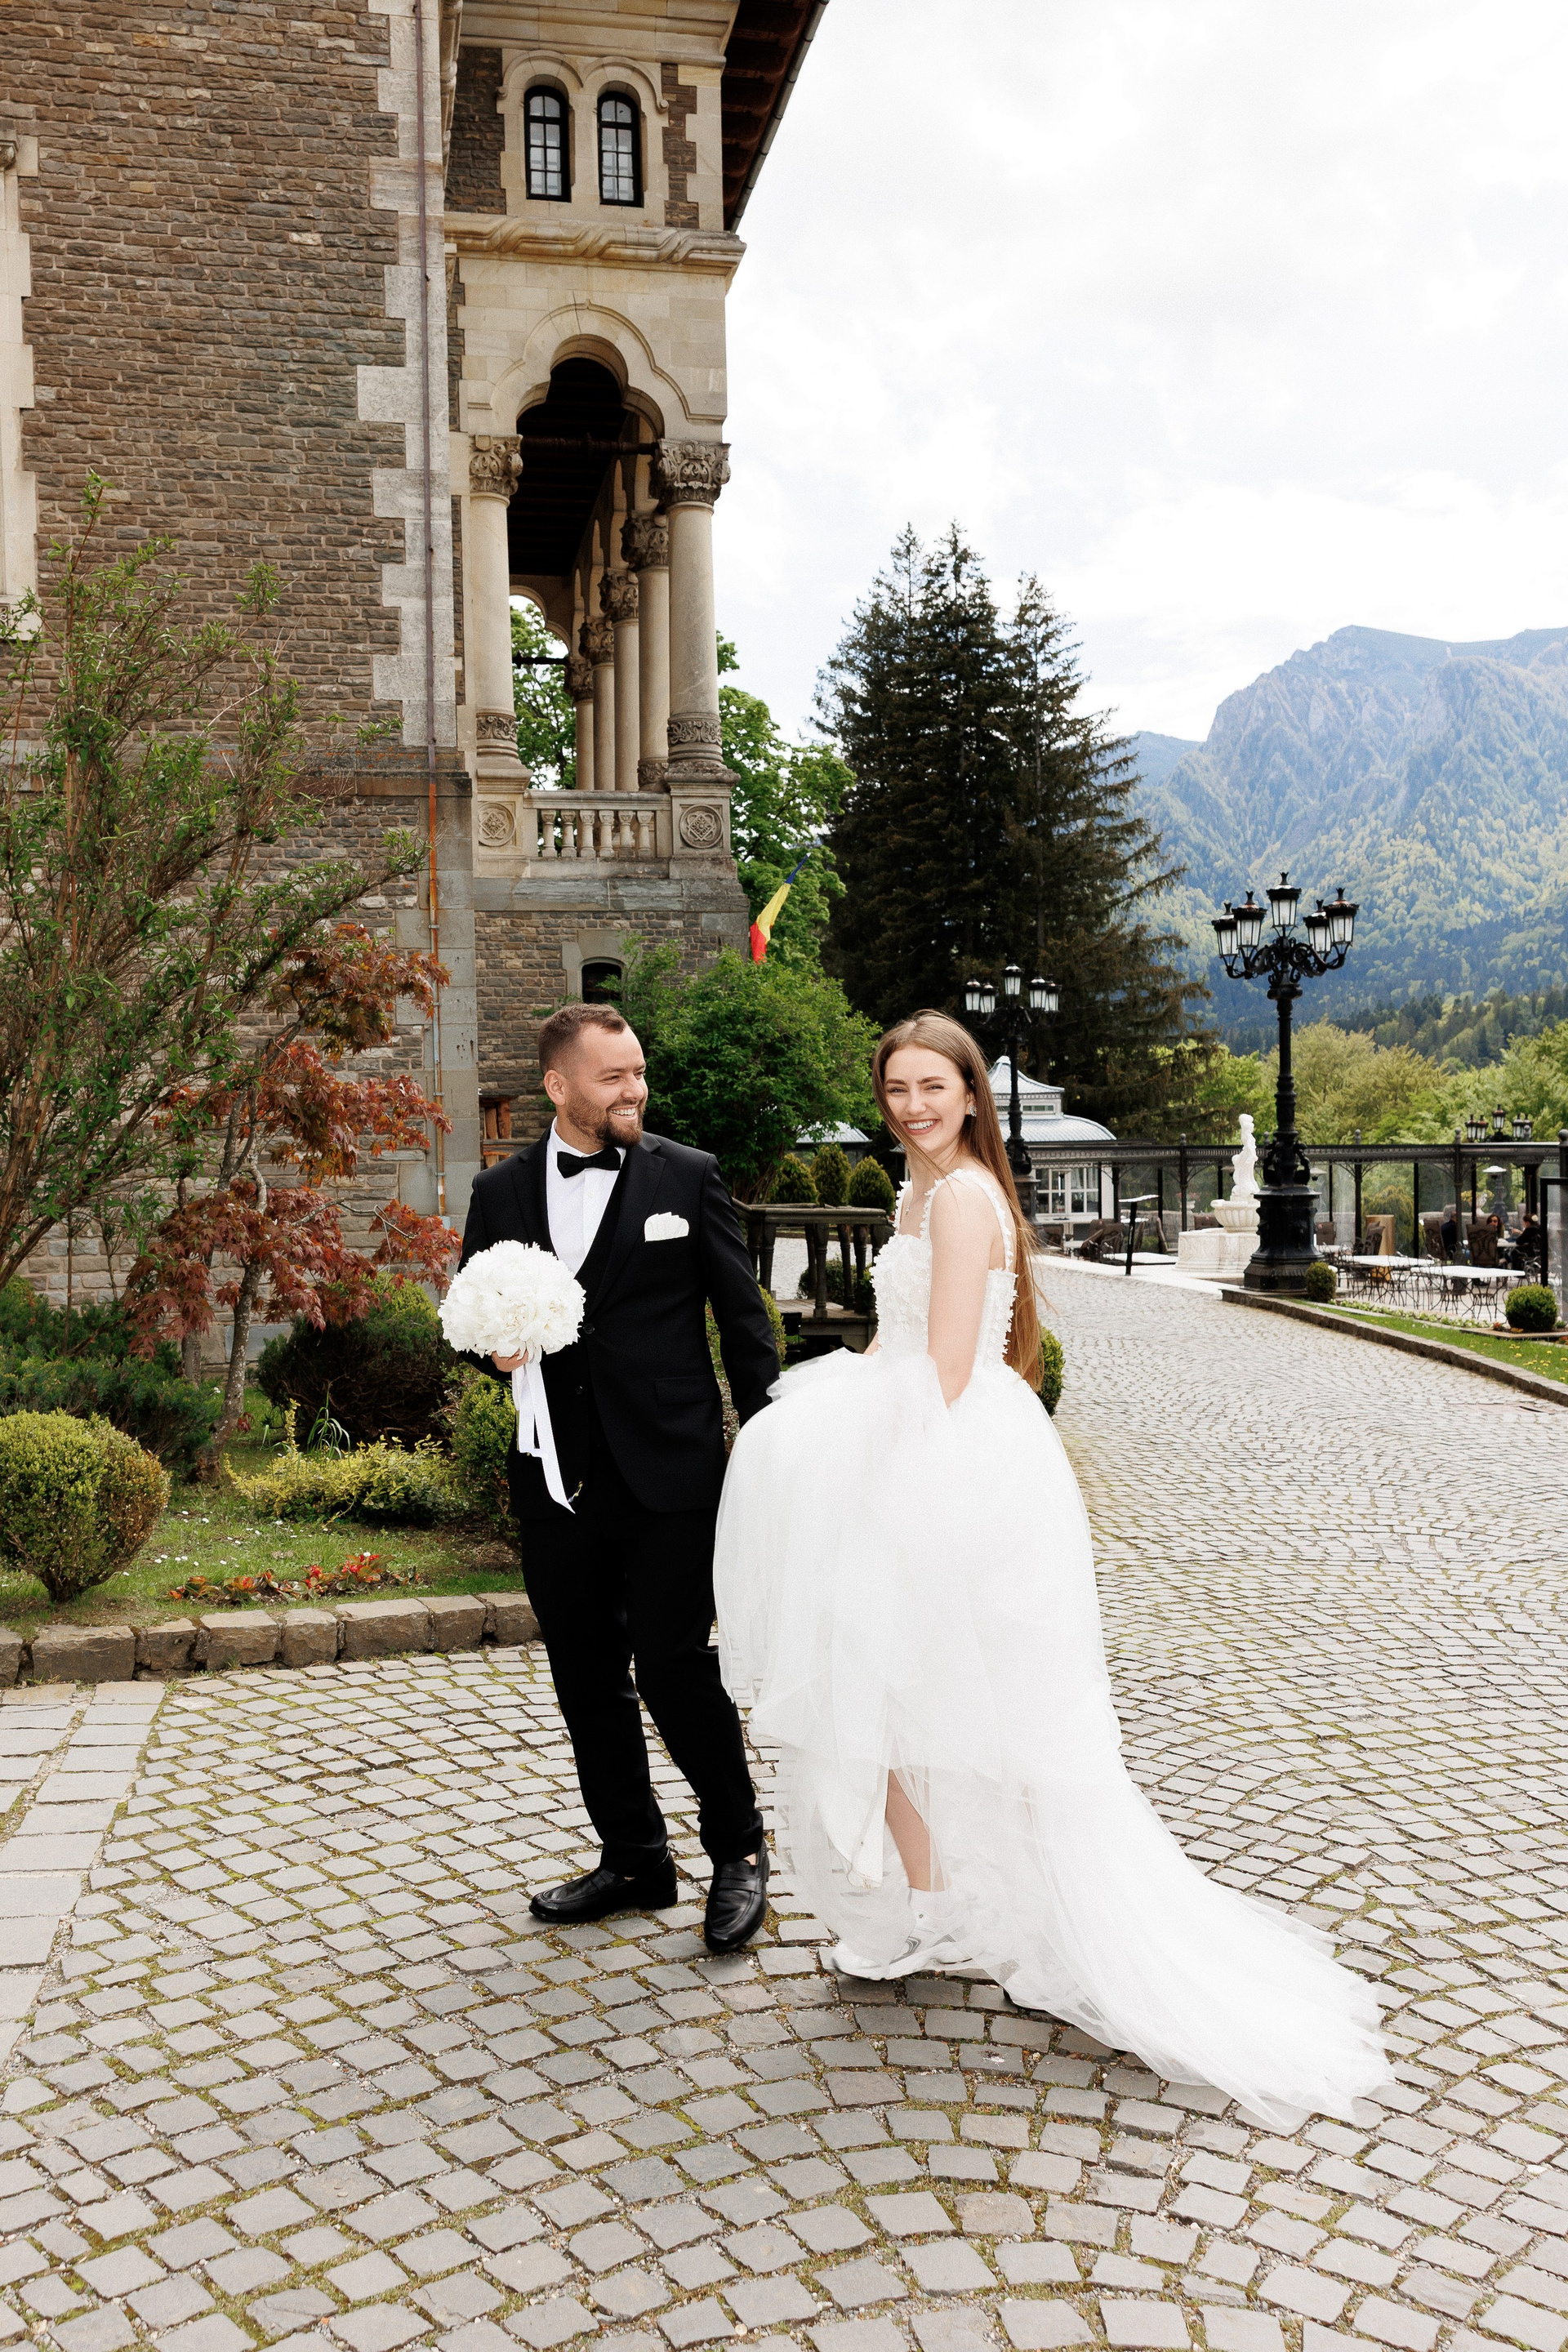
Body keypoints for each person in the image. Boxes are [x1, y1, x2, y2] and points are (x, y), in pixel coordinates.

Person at [713, 1011, 1390, 2124]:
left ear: (970, 1096)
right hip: (913, 1445)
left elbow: (943, 1369)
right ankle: (925, 1905)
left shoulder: (964, 1199)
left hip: (952, 1465)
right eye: (897, 1090)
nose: (914, 1108)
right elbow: (894, 1343)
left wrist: (828, 1445)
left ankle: (1066, 1926)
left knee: (997, 1713)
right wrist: (834, 1407)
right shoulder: (922, 1190)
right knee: (890, 1692)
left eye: (933, 1088)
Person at [457, 1002, 779, 1951]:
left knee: (677, 1667)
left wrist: (766, 1446)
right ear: (559, 1087)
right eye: (613, 1077)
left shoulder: (689, 1175)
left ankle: (738, 1849)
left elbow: (744, 1322)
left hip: (672, 1468)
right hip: (555, 1474)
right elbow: (471, 1311)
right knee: (585, 1673)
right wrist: (493, 1352)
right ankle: (635, 1858)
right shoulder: (499, 1190)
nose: (635, 1089)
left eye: (638, 1071)